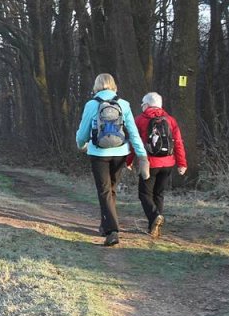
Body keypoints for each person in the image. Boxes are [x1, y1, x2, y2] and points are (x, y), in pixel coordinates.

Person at [76, 73, 150, 246]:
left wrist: (81, 144)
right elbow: (133, 132)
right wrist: (142, 155)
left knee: (104, 191)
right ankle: (105, 224)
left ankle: (112, 231)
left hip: (98, 154)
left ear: (96, 86)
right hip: (120, 153)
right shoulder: (124, 105)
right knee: (111, 190)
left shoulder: (91, 105)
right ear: (114, 85)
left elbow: (82, 133)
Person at [126, 92, 188, 238]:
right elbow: (178, 143)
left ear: (147, 105)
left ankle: (154, 217)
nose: (141, 106)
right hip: (168, 163)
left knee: (144, 194)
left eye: (142, 103)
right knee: (158, 194)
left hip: (149, 163)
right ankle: (154, 228)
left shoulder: (140, 120)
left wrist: (128, 160)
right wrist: (182, 163)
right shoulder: (170, 120)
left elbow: (136, 143)